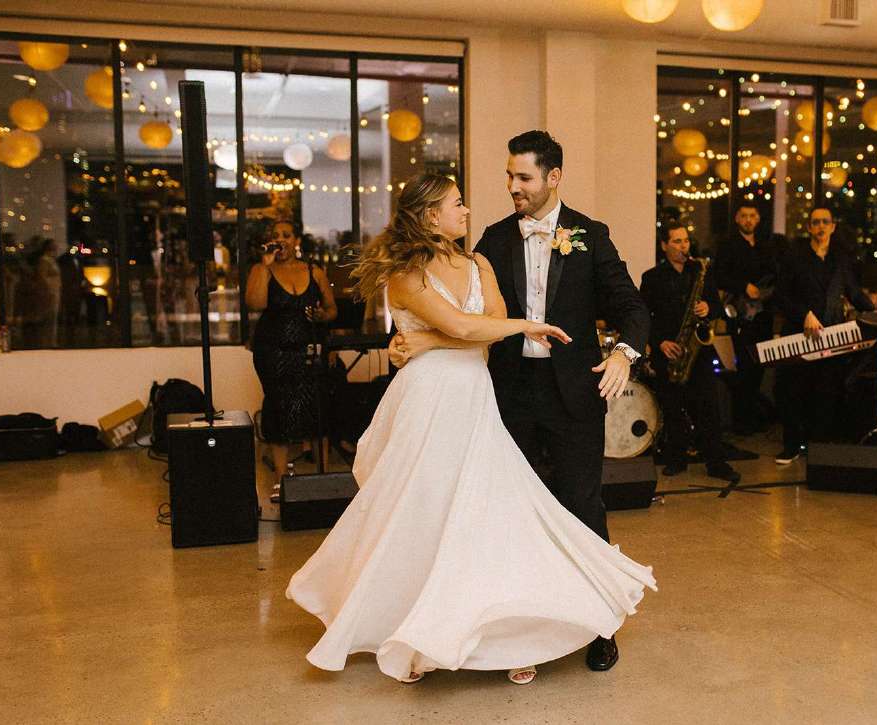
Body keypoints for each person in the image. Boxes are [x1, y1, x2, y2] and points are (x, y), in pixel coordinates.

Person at [287, 173, 655, 686]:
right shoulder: (412, 271)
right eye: (457, 203)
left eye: (520, 175)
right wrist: (512, 328)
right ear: (431, 216)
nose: (472, 206)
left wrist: (429, 341)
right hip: (432, 401)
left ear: (552, 176)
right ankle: (417, 632)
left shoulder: (483, 260)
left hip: (484, 396)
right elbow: (468, 327)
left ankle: (521, 632)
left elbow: (488, 329)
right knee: (427, 512)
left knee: (500, 512)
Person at [389, 131, 651, 673]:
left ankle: (601, 623)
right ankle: (522, 628)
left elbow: (631, 306)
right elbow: (467, 315)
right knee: (511, 516)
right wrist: (417, 338)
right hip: (505, 395)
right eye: (509, 176)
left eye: (523, 178)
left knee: (582, 506)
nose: (512, 187)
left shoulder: (590, 235)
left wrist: (624, 352)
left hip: (574, 395)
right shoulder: (492, 238)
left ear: (554, 178)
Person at [774, 206, 877, 464]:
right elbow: (781, 296)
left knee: (825, 394)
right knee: (793, 392)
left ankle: (817, 449)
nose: (820, 227)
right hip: (799, 336)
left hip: (831, 337)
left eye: (825, 222)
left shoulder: (841, 260)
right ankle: (791, 447)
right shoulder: (794, 257)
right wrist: (804, 315)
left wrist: (876, 310)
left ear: (833, 226)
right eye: (815, 222)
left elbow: (853, 293)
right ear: (809, 227)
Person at [246, 220, 338, 501]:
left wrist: (324, 316)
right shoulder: (261, 270)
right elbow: (256, 303)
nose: (281, 240)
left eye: (286, 235)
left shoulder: (314, 271)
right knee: (278, 406)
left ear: (296, 240)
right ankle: (280, 480)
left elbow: (332, 309)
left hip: (308, 347)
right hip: (273, 351)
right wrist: (265, 264)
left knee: (316, 404)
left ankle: (323, 478)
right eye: (275, 236)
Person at [641, 222, 740, 482]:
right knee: (673, 409)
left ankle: (716, 463)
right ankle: (676, 459)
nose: (683, 246)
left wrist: (709, 307)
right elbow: (641, 317)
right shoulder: (651, 278)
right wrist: (660, 342)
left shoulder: (701, 272)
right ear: (664, 246)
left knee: (709, 408)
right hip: (669, 350)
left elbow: (718, 308)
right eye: (676, 241)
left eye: (685, 241)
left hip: (699, 351)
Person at [714, 203, 778, 434]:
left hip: (763, 315)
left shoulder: (767, 246)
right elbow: (718, 276)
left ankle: (753, 417)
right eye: (744, 216)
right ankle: (741, 421)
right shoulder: (728, 246)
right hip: (740, 316)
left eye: (752, 215)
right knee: (743, 366)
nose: (748, 220)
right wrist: (743, 286)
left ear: (758, 218)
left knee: (760, 366)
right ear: (737, 219)